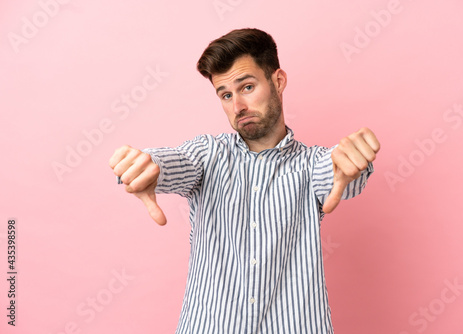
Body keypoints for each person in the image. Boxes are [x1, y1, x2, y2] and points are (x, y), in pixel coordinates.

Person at [109, 28, 380, 334]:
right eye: (225, 94)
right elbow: (174, 162)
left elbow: (336, 173)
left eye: (247, 87)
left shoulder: (310, 164)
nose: (237, 106)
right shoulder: (207, 155)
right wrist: (148, 165)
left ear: (278, 82)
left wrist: (353, 161)